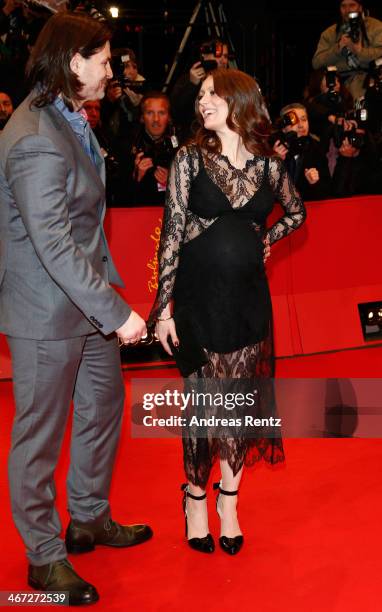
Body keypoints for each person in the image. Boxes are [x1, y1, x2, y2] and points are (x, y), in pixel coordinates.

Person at [0, 12, 152, 606]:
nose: (111, 72)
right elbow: (53, 242)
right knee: (38, 435)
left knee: (104, 404)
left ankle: (88, 516)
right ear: (72, 62)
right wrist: (116, 312)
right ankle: (43, 558)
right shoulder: (35, 135)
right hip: (44, 311)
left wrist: (106, 302)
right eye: (105, 61)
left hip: (83, 303)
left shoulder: (69, 118)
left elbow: (84, 229)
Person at [150, 69, 306, 555]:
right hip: (197, 303)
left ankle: (229, 502)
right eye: (200, 96)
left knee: (235, 410)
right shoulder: (189, 160)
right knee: (203, 409)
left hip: (247, 303)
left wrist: (266, 240)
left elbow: (297, 213)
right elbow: (172, 236)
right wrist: (162, 310)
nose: (203, 102)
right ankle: (195, 499)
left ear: (238, 100)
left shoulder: (268, 167)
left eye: (212, 93)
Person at [312, 0, 382, 101]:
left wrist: (359, 51)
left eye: (352, 5)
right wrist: (337, 49)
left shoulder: (376, 27)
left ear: (360, 7)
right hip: (339, 85)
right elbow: (316, 63)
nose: (347, 10)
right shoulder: (330, 33)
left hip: (370, 82)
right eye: (343, 6)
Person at [170, 38, 230, 142]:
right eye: (218, 55)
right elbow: (177, 113)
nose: (223, 60)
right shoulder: (187, 80)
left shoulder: (231, 80)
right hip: (196, 139)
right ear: (204, 55)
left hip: (225, 139)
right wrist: (192, 85)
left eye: (225, 56)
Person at [126, 92, 178, 206]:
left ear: (168, 117)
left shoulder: (180, 148)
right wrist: (136, 177)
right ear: (142, 117)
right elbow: (118, 198)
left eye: (161, 113)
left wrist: (173, 182)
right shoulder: (128, 145)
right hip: (139, 213)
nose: (156, 119)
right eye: (150, 113)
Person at [273, 103, 332, 201]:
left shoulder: (317, 149)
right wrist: (274, 164)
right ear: (283, 128)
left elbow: (327, 192)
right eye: (293, 120)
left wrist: (314, 183)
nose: (301, 125)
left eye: (304, 119)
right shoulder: (271, 150)